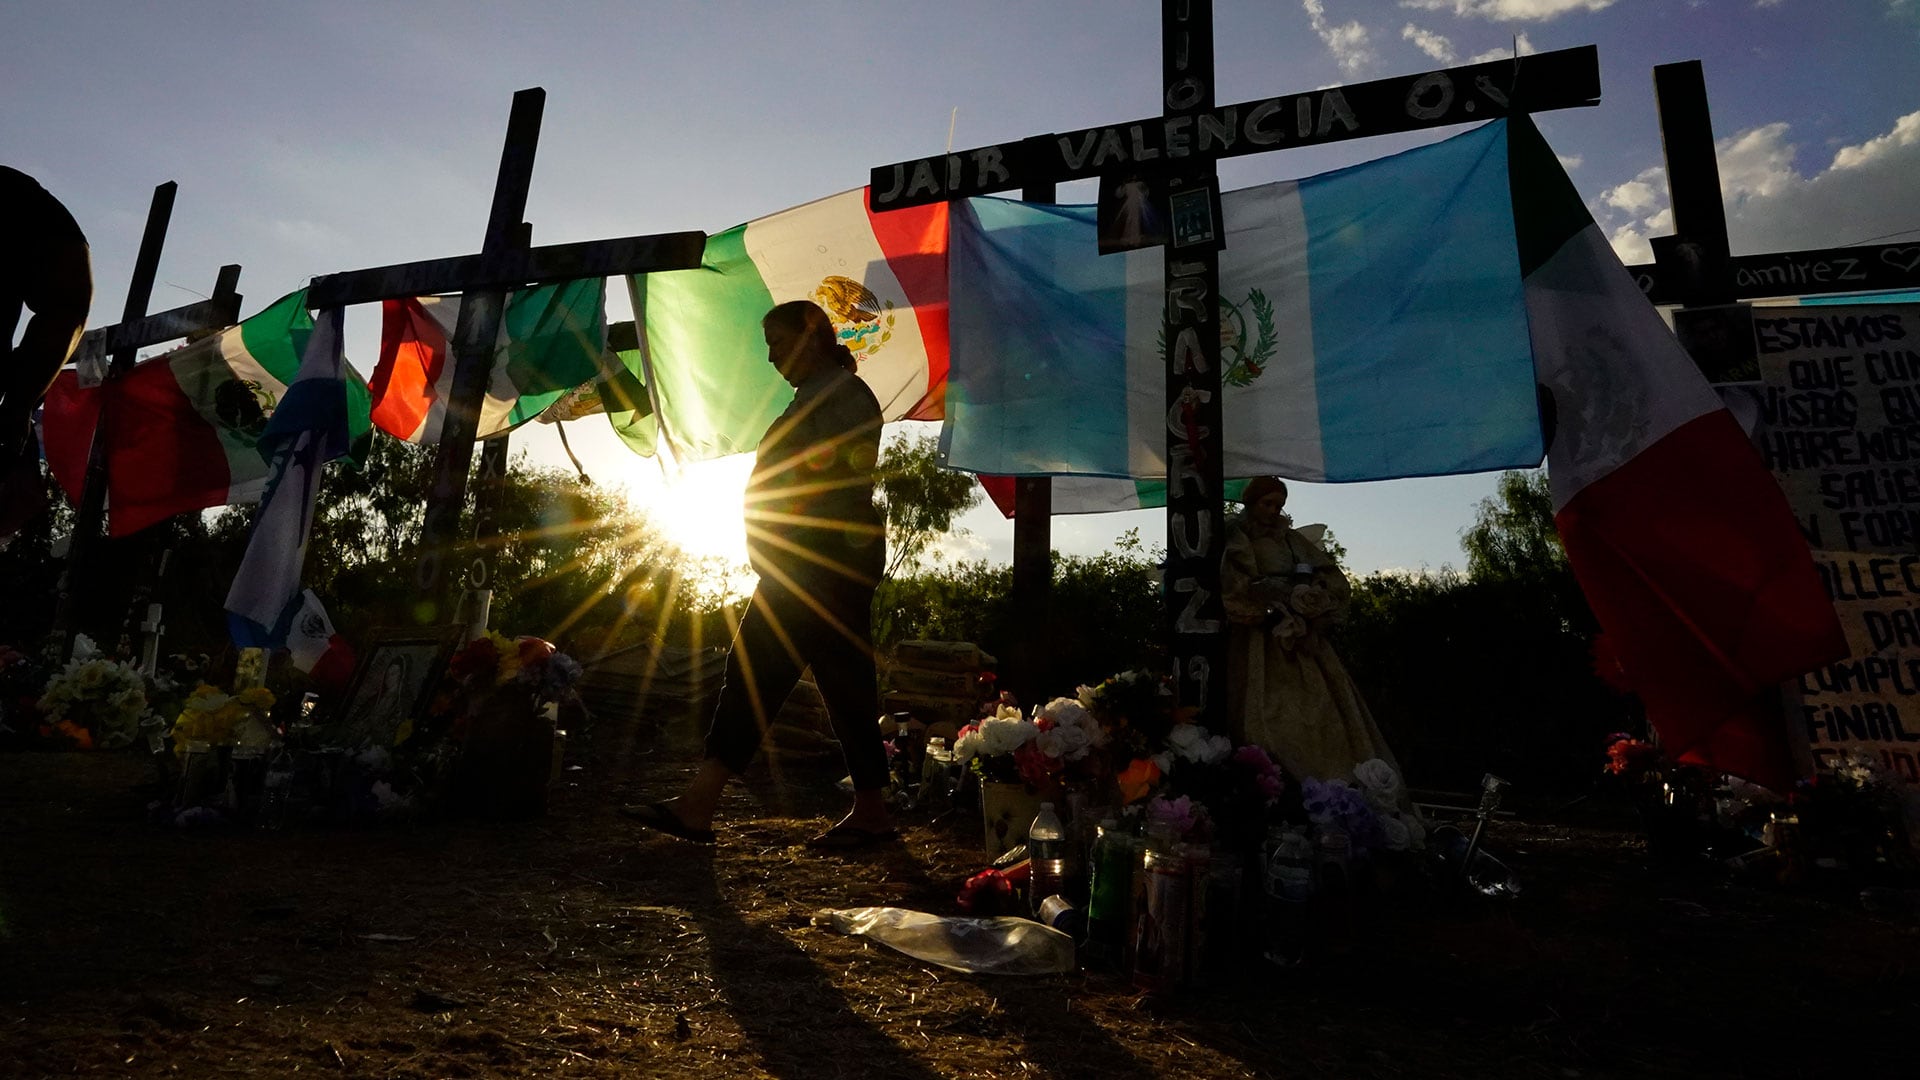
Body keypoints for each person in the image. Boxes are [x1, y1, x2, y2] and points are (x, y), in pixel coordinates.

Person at [623, 300, 893, 849]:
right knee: (843, 687)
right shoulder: (816, 397)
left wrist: (794, 546)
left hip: (816, 567)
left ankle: (701, 802)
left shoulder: (843, 395)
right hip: (810, 565)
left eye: (776, 342)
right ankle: (871, 811)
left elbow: (842, 477)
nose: (771, 357)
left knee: (754, 674)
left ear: (811, 336)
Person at [1219, 476, 1402, 785]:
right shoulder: (1238, 539)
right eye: (1268, 503)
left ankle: (1328, 785)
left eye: (1279, 505)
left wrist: (1311, 600)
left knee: (1320, 715)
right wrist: (1263, 595)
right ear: (1251, 503)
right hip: (1258, 639)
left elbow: (1328, 576)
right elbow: (1233, 583)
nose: (1274, 511)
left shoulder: (1292, 540)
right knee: (1261, 719)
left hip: (1302, 640)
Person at [1, 166, 92, 484]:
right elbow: (66, 306)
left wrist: (18, 405)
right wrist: (17, 405)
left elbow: (65, 307)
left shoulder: (16, 196)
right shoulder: (17, 195)